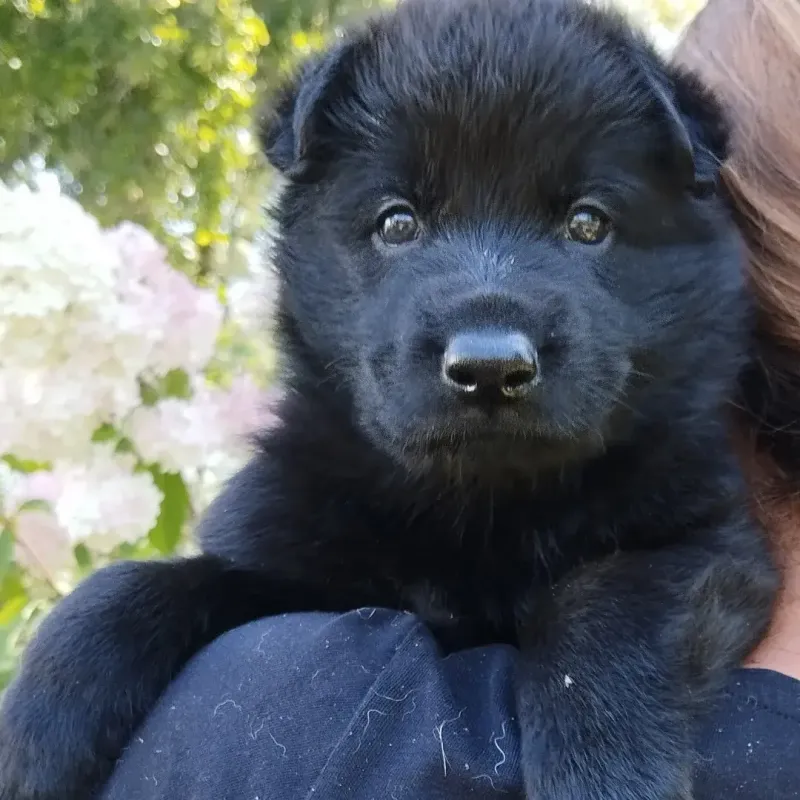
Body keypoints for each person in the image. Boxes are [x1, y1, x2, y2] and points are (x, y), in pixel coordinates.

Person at [101, 0, 800, 797]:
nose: (490, 346)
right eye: (397, 224)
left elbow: (710, 563)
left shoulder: (674, 498)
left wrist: (604, 668)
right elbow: (239, 586)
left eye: (586, 221)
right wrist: (132, 616)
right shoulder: (296, 502)